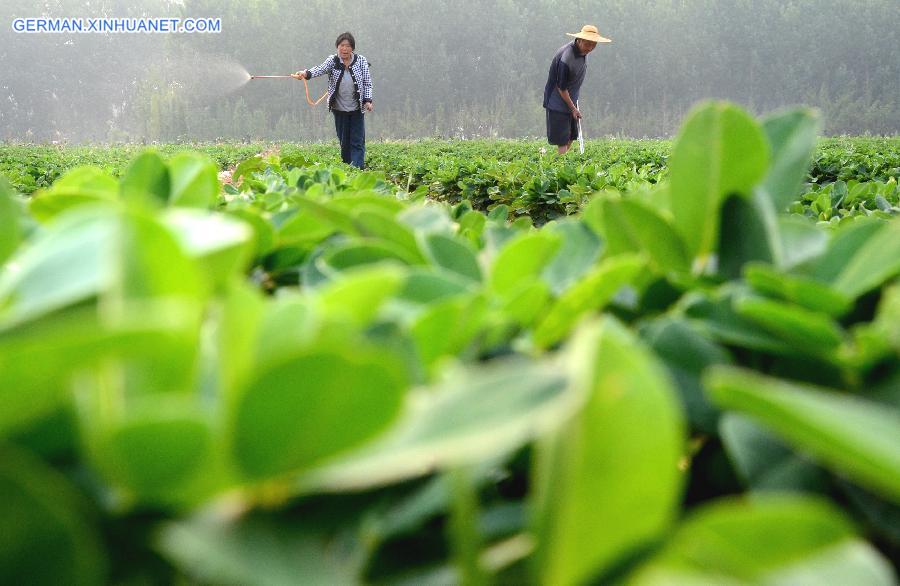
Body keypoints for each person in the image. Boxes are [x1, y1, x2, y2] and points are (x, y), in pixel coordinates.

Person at [293, 32, 373, 169]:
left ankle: (358, 170)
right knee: (344, 142)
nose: (345, 49)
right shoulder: (333, 60)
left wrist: (367, 100)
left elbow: (367, 82)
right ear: (337, 47)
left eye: (348, 46)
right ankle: (347, 168)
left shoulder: (361, 61)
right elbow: (320, 69)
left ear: (352, 48)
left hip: (357, 108)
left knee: (357, 142)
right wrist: (306, 74)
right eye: (342, 45)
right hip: (339, 108)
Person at [543, 25, 611, 154]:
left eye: (593, 44)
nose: (590, 48)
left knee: (571, 136)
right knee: (562, 139)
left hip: (570, 100)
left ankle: (561, 162)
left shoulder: (581, 51)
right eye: (588, 44)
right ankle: (559, 167)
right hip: (557, 101)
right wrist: (573, 108)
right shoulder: (566, 57)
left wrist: (574, 104)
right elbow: (561, 87)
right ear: (579, 40)